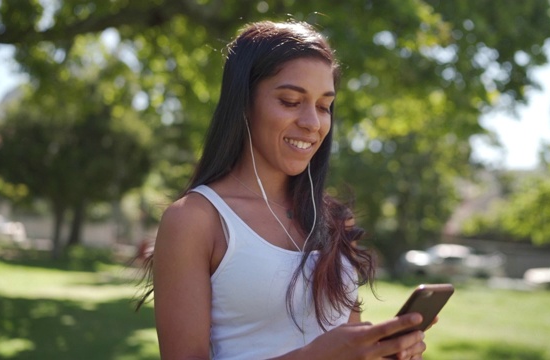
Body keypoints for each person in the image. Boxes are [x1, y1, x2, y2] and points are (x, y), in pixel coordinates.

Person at [138, 20, 432, 359]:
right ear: (244, 103)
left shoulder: (334, 220)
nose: (312, 123)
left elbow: (345, 346)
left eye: (324, 106)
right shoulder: (195, 220)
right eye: (291, 101)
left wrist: (384, 351)